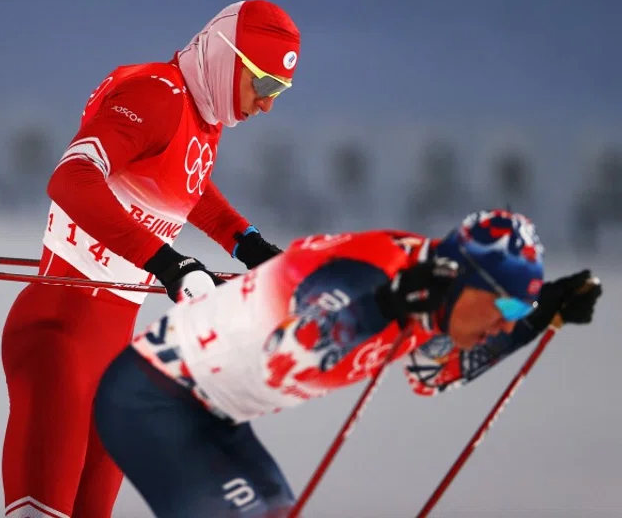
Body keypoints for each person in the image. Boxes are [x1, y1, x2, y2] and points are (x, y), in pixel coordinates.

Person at [93, 209, 603, 517]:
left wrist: (540, 318)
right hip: (154, 399)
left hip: (213, 418)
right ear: (467, 282)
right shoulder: (374, 270)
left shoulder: (430, 296)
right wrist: (379, 307)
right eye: (509, 306)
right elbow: (287, 350)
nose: (505, 322)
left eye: (520, 309)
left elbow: (432, 375)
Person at [0, 0, 301, 518]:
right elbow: (70, 178)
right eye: (265, 84)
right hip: (60, 338)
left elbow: (185, 184)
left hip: (113, 362)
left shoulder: (201, 116)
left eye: (280, 90)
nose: (268, 104)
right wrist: (167, 262)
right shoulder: (155, 94)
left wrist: (246, 242)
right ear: (229, 59)